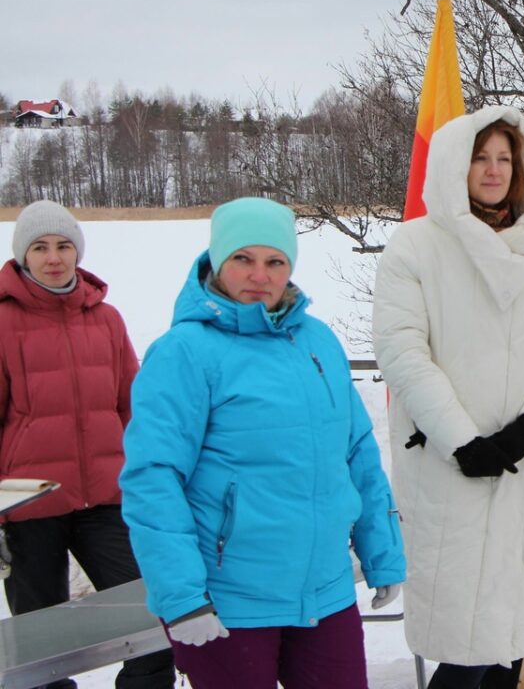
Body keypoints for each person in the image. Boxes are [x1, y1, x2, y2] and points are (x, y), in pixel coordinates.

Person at [119, 197, 406, 689]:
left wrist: (382, 551)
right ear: (217, 262)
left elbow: (357, 453)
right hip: (228, 600)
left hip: (325, 591)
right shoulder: (184, 352)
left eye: (275, 261)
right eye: (243, 259)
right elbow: (153, 478)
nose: (260, 275)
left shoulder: (317, 341)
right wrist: (181, 597)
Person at [373, 107, 524, 689]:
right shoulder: (415, 246)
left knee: (508, 644)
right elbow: (402, 352)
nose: (493, 170)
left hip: (522, 465)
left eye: (504, 158)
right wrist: (463, 441)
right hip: (449, 465)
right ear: (453, 165)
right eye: (480, 157)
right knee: (465, 651)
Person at [0, 200, 175, 689]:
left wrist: (146, 478)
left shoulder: (106, 318)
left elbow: (130, 407)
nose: (54, 258)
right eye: (40, 247)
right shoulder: (3, 321)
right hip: (28, 503)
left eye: (63, 246)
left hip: (106, 497)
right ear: (23, 255)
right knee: (40, 646)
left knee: (151, 623)